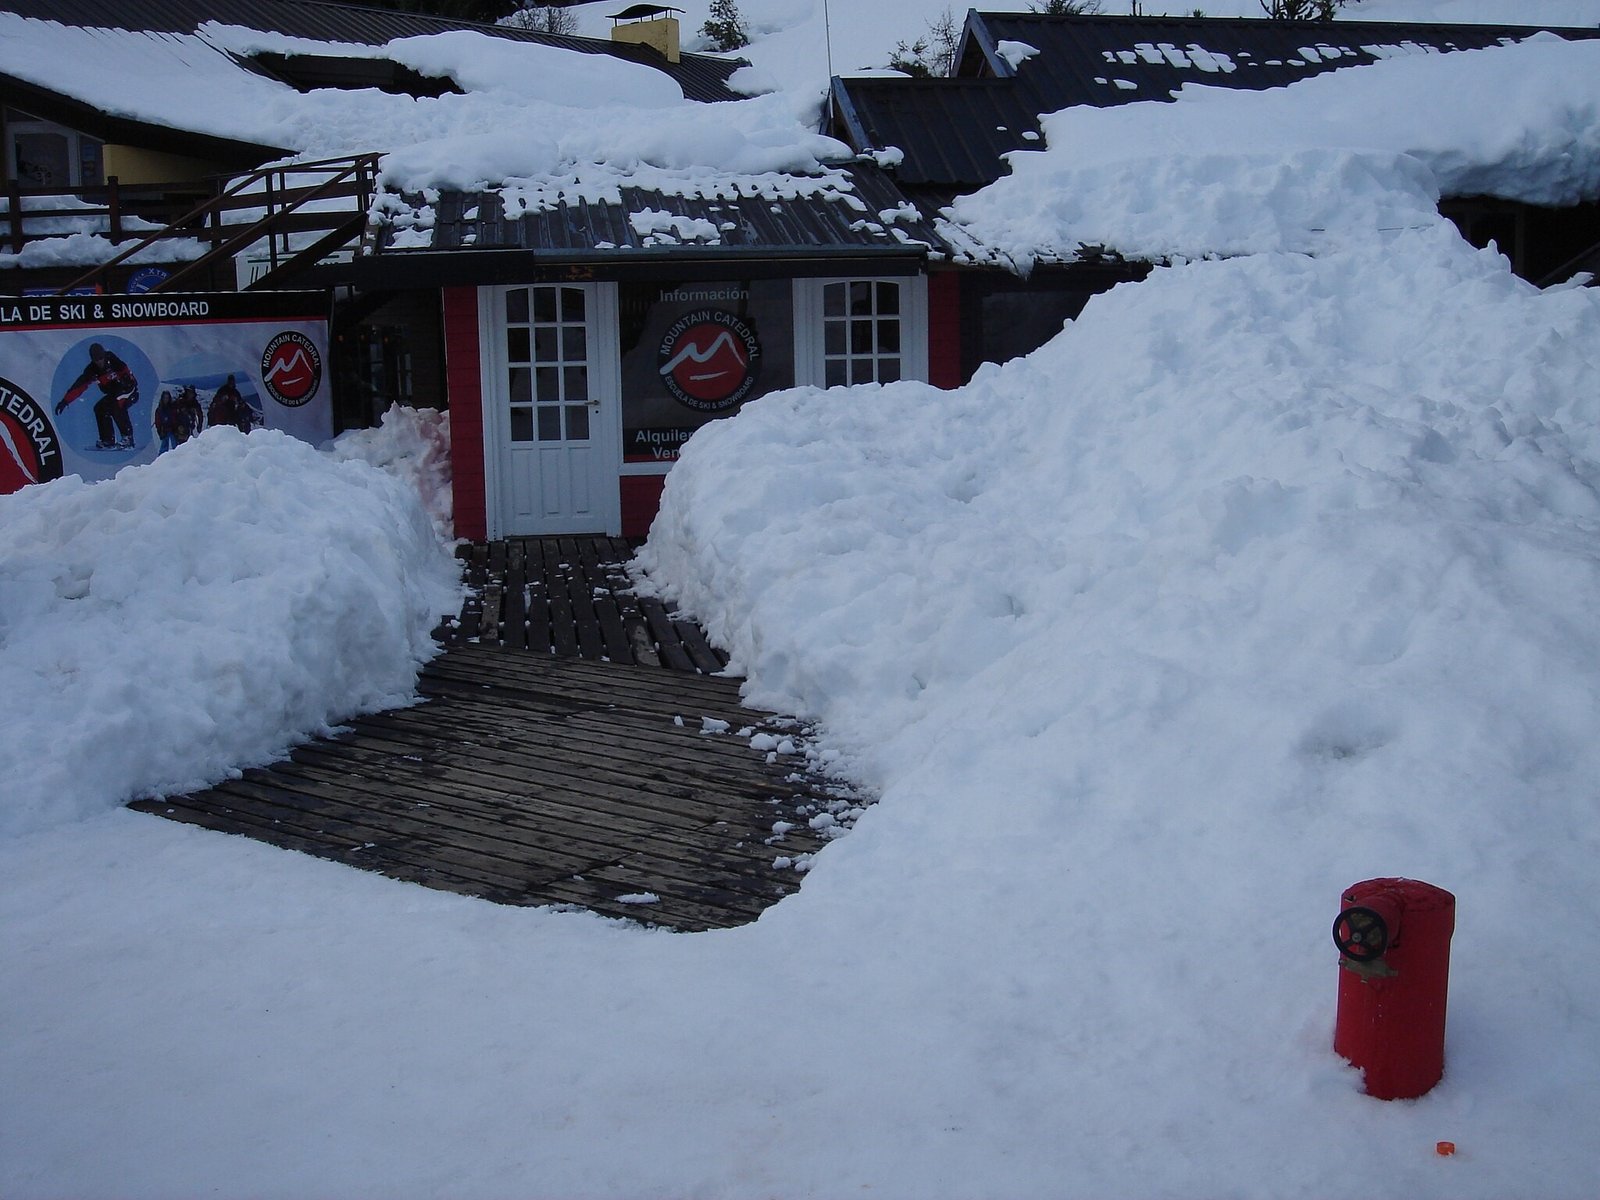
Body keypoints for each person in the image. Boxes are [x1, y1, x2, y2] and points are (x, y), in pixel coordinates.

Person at [54, 341, 139, 450]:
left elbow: (125, 371)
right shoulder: (92, 370)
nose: (99, 362)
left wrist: (125, 381)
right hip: (114, 394)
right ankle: (108, 440)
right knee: (100, 408)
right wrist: (65, 401)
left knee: (116, 404)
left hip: (130, 390)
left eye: (101, 358)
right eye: (96, 360)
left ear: (104, 356)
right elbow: (79, 386)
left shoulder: (112, 359)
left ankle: (128, 438)